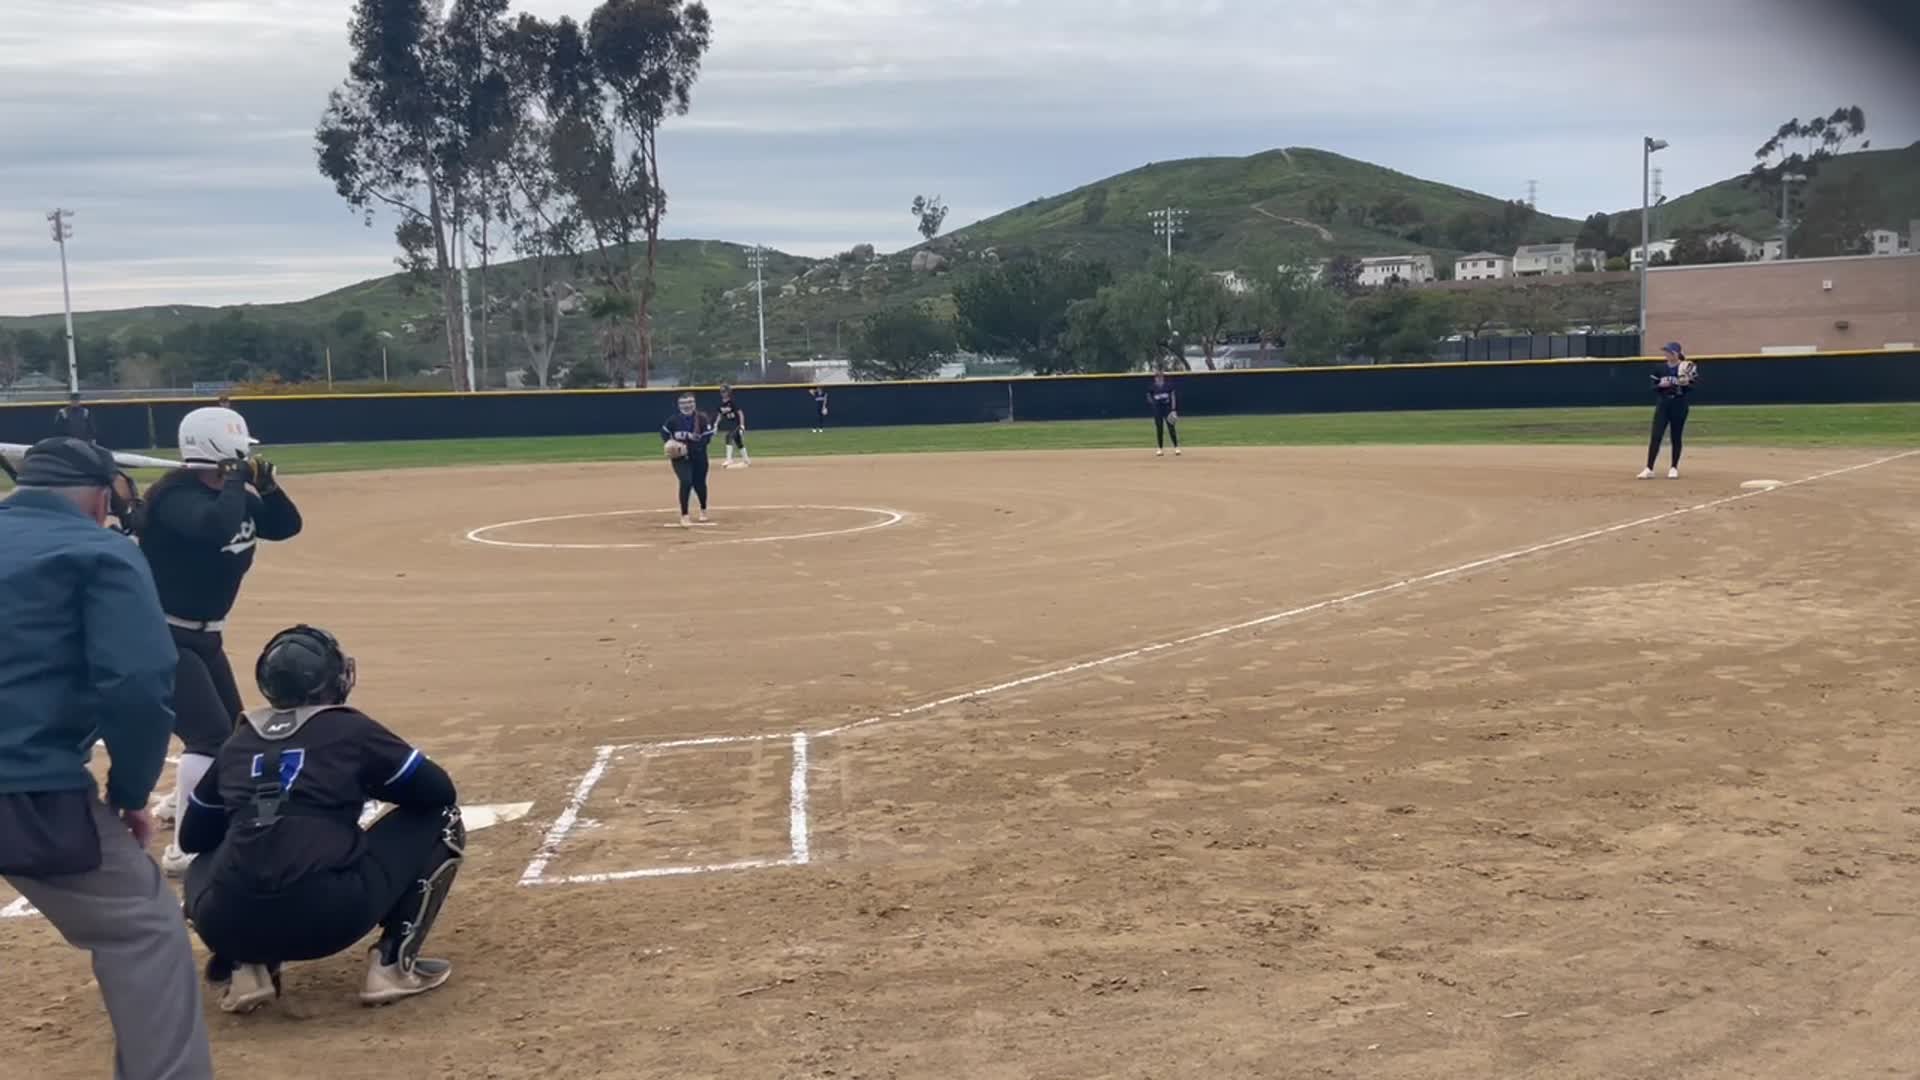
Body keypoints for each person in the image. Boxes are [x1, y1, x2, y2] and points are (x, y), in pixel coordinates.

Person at [0, 437, 215, 1080]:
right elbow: (141, 683)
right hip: (28, 787)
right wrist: (129, 790)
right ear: (101, 499)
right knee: (142, 930)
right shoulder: (100, 550)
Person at [180, 625, 465, 1012]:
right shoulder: (349, 728)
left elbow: (193, 837)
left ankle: (245, 966)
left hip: (229, 923)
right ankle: (392, 966)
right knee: (443, 818)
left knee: (210, 853)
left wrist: (260, 810)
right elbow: (437, 792)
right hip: (328, 918)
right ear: (332, 681)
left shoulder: (238, 741)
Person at [140, 407, 303, 875]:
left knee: (231, 733)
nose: (247, 459)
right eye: (240, 453)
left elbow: (286, 526)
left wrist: (267, 487)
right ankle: (183, 850)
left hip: (206, 635)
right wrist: (236, 484)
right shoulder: (172, 497)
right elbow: (212, 526)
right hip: (162, 632)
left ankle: (180, 800)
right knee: (208, 735)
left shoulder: (234, 495)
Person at [1639, 342, 1697, 479]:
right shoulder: (1659, 368)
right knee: (1656, 435)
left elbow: (1693, 386)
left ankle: (1673, 468)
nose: (1667, 354)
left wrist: (1685, 382)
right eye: (1666, 351)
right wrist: (1660, 384)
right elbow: (1652, 387)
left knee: (1676, 437)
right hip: (1663, 404)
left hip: (1679, 403)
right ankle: (1649, 468)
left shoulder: (1686, 366)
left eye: (1670, 352)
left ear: (1677, 353)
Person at [661, 392, 715, 527]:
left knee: (699, 484)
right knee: (686, 481)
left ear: (694, 404)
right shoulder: (673, 420)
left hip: (699, 456)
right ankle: (684, 515)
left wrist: (692, 446)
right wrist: (671, 443)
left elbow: (707, 437)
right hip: (680, 458)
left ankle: (703, 509)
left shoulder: (702, 418)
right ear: (679, 405)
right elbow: (664, 433)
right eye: (684, 403)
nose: (687, 405)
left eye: (690, 402)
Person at [716, 384, 751, 468]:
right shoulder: (721, 405)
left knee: (728, 436)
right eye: (721, 391)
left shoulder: (732, 402)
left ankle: (729, 459)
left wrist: (742, 425)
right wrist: (715, 424)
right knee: (738, 441)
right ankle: (746, 460)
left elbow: (740, 413)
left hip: (737, 424)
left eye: (724, 391)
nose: (722, 393)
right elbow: (720, 415)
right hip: (731, 425)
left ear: (728, 392)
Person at [1148, 371, 1181, 457]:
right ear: (1155, 378)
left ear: (1163, 378)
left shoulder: (1168, 386)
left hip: (1167, 409)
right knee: (1159, 428)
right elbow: (1149, 397)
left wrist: (1173, 409)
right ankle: (1160, 448)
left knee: (1171, 428)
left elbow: (1173, 397)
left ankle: (1176, 447)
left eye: (1160, 377)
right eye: (1157, 377)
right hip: (1158, 410)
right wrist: (1153, 403)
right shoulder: (1152, 387)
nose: (1158, 378)